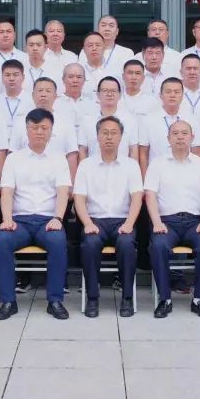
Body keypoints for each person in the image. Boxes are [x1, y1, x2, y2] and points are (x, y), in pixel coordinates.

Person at [0, 108, 73, 321]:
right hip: (20, 221)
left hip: (48, 221)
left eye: (44, 128)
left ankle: (55, 301)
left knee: (58, 241)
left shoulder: (59, 159)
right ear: (26, 130)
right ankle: (8, 301)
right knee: (1, 241)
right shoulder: (14, 159)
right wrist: (7, 219)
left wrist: (58, 218)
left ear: (51, 131)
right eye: (34, 127)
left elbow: (62, 192)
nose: (39, 132)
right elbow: (7, 192)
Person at [145, 119, 200, 319]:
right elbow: (150, 195)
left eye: (184, 133)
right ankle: (165, 299)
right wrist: (157, 222)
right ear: (168, 138)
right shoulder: (157, 164)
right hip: (166, 222)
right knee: (158, 246)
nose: (180, 137)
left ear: (192, 137)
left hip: (195, 222)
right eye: (175, 133)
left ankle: (199, 299)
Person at [73, 116, 143, 318]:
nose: (109, 137)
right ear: (97, 137)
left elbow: (137, 198)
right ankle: (92, 298)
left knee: (127, 244)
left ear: (121, 137)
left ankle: (127, 298)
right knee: (90, 244)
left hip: (123, 221)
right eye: (105, 133)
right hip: (95, 221)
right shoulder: (86, 165)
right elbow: (79, 198)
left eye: (114, 133)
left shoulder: (131, 165)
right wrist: (87, 223)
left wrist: (129, 223)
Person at [138, 78, 198, 176]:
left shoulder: (191, 119)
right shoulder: (148, 120)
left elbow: (195, 151)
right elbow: (143, 154)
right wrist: (146, 179)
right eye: (168, 92)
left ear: (183, 96)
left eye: (176, 92)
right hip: (157, 174)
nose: (172, 95)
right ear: (160, 95)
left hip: (186, 174)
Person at [78, 77, 138, 162]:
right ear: (98, 94)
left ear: (120, 95)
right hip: (93, 168)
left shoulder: (130, 120)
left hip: (122, 168)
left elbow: (133, 150)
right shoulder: (87, 120)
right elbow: (83, 151)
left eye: (113, 91)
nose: (109, 94)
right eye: (105, 90)